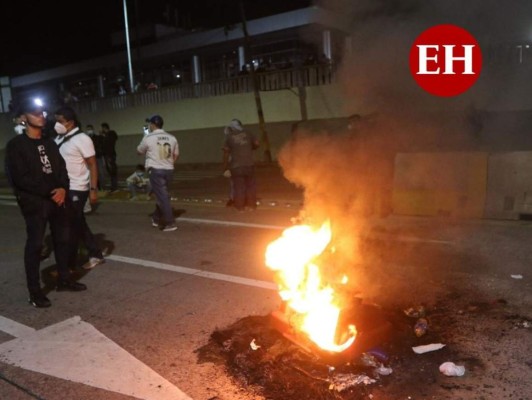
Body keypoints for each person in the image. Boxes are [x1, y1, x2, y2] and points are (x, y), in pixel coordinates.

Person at [5, 98, 87, 308]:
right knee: (35, 245)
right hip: (35, 203)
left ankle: (64, 279)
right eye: (34, 113)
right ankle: (35, 292)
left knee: (63, 240)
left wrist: (62, 188)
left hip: (57, 199)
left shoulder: (49, 142)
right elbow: (20, 178)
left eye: (42, 112)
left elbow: (61, 169)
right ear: (23, 118)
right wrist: (50, 191)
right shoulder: (16, 146)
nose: (40, 115)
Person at [54, 106, 105, 270]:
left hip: (78, 187)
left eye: (60, 121)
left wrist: (93, 190)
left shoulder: (82, 138)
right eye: (56, 120)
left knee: (70, 225)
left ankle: (69, 265)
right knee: (78, 223)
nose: (57, 124)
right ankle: (95, 253)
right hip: (64, 187)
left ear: (70, 122)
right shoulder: (60, 138)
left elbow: (92, 165)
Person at [137, 114, 179, 231]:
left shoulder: (148, 137)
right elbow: (176, 155)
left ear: (153, 125)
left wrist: (144, 137)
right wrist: (169, 164)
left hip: (156, 170)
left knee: (163, 197)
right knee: (163, 195)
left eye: (150, 124)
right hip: (169, 170)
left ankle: (170, 223)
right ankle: (156, 218)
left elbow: (139, 150)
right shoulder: (172, 137)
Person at [222, 119, 259, 211]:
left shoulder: (229, 137)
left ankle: (240, 207)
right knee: (251, 186)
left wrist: (225, 167)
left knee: (239, 187)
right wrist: (251, 147)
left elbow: (225, 153)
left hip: (236, 166)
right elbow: (257, 143)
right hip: (249, 164)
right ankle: (252, 206)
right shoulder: (248, 133)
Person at [100, 122, 118, 192]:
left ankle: (114, 187)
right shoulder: (105, 136)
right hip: (106, 154)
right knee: (109, 170)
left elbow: (112, 141)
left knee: (112, 170)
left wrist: (104, 135)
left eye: (102, 128)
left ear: (104, 128)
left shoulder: (111, 133)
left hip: (110, 154)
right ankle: (113, 186)